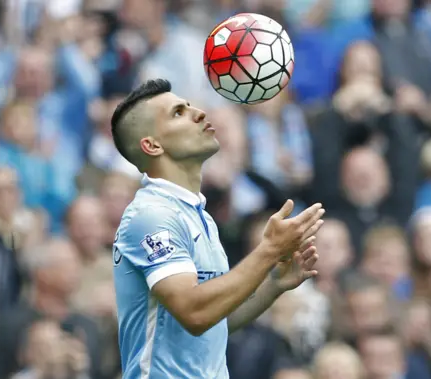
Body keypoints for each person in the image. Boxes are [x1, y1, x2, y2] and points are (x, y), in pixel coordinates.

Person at [110, 79, 325, 378]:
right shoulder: (151, 215)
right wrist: (269, 250)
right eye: (178, 113)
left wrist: (273, 283)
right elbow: (194, 312)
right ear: (152, 144)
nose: (198, 113)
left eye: (190, 106)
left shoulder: (198, 215)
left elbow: (214, 320)